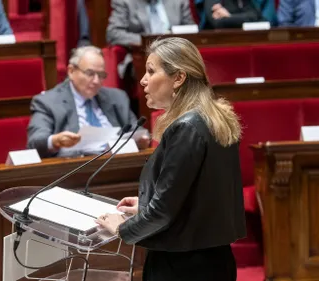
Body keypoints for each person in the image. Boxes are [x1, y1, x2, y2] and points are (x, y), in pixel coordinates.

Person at [95, 37, 246, 281]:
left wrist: (122, 229)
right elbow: (199, 194)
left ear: (179, 78)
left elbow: (163, 212)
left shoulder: (187, 127)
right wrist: (146, 203)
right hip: (214, 260)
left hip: (181, 266)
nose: (143, 80)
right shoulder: (214, 117)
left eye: (151, 71)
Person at [27, 45, 150, 158]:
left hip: (117, 164)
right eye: (90, 73)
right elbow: (35, 141)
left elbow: (137, 130)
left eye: (101, 75)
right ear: (71, 71)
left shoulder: (117, 98)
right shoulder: (47, 102)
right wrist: (54, 141)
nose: (96, 81)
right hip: (75, 169)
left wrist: (143, 139)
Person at [106, 0, 194, 47]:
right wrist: (148, 41)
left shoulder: (179, 1)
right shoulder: (124, 1)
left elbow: (192, 32)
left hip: (176, 52)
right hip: (143, 54)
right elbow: (113, 33)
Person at [200, 0, 277, 29]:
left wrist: (230, 16)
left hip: (243, 40)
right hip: (217, 43)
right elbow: (217, 23)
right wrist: (242, 17)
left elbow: (257, 16)